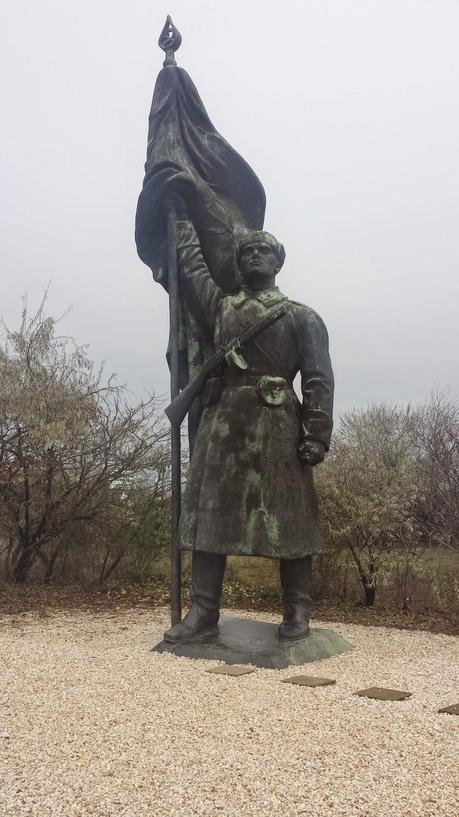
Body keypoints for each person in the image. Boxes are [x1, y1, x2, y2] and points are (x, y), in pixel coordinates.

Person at [164, 211, 334, 643]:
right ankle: (203, 612)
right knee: (209, 519)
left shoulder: (302, 317)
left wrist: (315, 433)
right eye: (248, 251)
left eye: (265, 250)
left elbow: (317, 379)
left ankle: (298, 610)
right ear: (239, 263)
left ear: (278, 262)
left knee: (290, 521)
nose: (256, 256)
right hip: (223, 424)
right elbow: (192, 266)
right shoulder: (221, 308)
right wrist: (181, 214)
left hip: (278, 427)